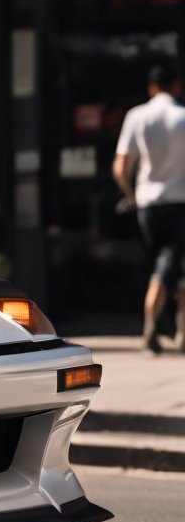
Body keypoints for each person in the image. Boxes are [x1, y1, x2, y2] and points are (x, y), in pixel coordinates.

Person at [113, 61, 185, 354]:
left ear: (152, 87)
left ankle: (176, 329)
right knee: (169, 267)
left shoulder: (137, 116)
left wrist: (130, 194)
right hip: (180, 202)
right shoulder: (182, 117)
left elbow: (120, 167)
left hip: (147, 205)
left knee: (169, 266)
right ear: (176, 85)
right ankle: (152, 325)